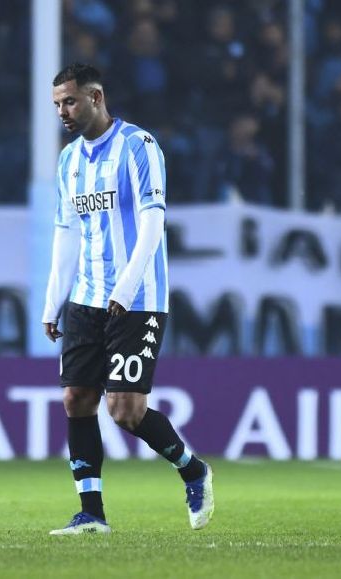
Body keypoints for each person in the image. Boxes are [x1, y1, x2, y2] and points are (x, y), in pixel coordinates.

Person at [42, 63, 214, 535]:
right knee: (76, 398)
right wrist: (53, 299)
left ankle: (192, 469)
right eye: (57, 104)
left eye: (70, 101)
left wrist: (124, 287)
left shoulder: (139, 146)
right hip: (86, 298)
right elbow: (67, 234)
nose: (63, 111)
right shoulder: (68, 161)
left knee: (125, 411)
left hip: (137, 299)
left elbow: (153, 223)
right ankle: (91, 513)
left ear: (96, 97)